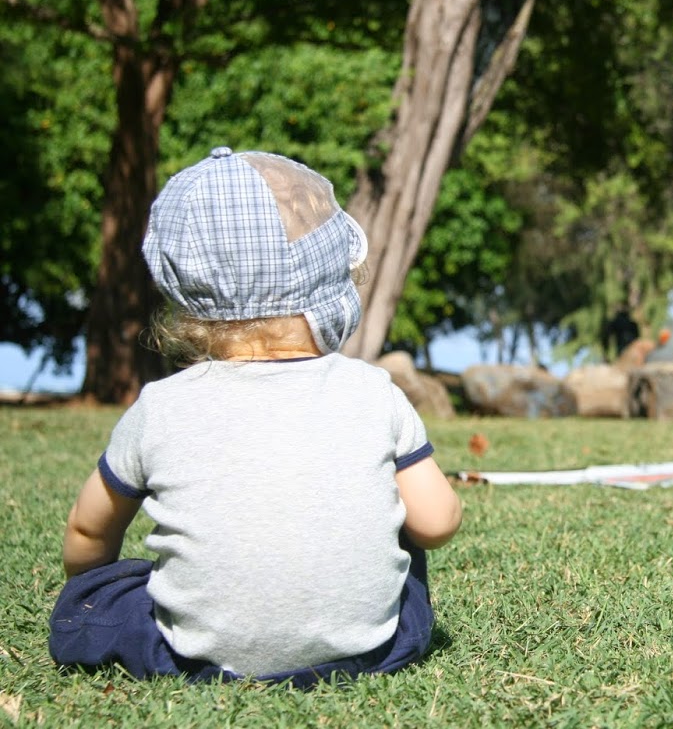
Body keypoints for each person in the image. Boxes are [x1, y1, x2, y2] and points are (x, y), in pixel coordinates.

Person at [48, 147, 463, 687]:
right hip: (367, 651)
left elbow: (87, 527)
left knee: (113, 598)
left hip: (195, 656)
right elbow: (436, 522)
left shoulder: (162, 407)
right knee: (405, 551)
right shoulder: (372, 390)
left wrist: (90, 589)